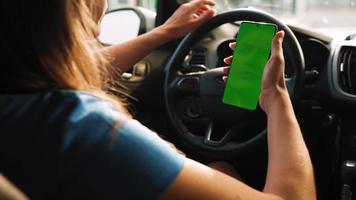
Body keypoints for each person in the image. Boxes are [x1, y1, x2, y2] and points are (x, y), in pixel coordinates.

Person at [0, 0, 316, 199]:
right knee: (223, 168)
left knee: (219, 166)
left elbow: (73, 70)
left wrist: (164, 32)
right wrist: (275, 97)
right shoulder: (83, 130)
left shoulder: (21, 99)